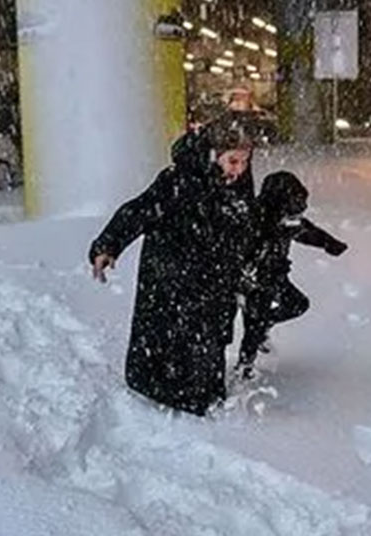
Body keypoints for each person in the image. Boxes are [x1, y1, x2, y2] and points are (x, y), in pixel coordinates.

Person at [88, 114, 256, 416]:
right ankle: (166, 395)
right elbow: (138, 211)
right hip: (171, 280)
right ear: (213, 155)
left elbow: (244, 229)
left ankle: (202, 397)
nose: (239, 170)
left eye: (244, 162)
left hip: (213, 283)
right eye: (233, 161)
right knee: (171, 342)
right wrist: (107, 246)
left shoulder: (238, 185)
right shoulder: (178, 180)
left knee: (208, 346)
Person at [235, 171, 347, 380]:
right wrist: (244, 277)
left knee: (297, 304)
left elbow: (306, 231)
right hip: (255, 282)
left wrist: (328, 243)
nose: (296, 215)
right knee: (253, 324)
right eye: (293, 207)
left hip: (277, 276)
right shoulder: (255, 220)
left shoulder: (289, 221)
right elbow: (241, 250)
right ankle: (244, 366)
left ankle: (264, 326)